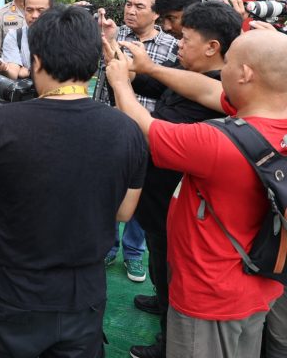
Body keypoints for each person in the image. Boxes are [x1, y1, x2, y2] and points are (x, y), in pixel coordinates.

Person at [0, 6, 146, 357]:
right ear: (94, 66)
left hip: (10, 290)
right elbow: (124, 212)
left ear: (37, 62)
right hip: (82, 294)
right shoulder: (127, 130)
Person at [105, 29, 286, 358]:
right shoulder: (272, 110)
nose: (221, 72)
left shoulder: (217, 143)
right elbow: (208, 89)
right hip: (262, 283)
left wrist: (120, 81)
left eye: (228, 63)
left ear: (245, 74)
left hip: (210, 294)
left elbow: (146, 128)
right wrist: (150, 68)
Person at [125, 1, 242, 358]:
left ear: (212, 47)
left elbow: (158, 133)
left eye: (185, 37)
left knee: (175, 270)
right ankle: (163, 303)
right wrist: (138, 70)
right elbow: (163, 86)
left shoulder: (224, 94)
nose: (177, 43)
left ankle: (167, 340)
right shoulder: (188, 72)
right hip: (160, 197)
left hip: (181, 203)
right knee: (161, 261)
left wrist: (120, 86)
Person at [95, 0, 178, 283]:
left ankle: (133, 253)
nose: (130, 10)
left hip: (148, 132)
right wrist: (109, 40)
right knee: (109, 189)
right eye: (128, 4)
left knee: (141, 192)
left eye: (139, 6)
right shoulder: (117, 38)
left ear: (157, 13)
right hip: (112, 130)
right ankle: (108, 246)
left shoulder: (171, 46)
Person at [0, 0, 54, 79]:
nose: (34, 15)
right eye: (29, 10)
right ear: (24, 9)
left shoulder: (63, 34)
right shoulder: (14, 36)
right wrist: (5, 69)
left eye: (40, 10)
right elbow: (14, 72)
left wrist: (29, 72)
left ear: (51, 10)